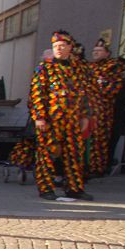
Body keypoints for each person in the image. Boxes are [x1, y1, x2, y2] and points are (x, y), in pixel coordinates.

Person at [30, 30, 93, 200]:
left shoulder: (79, 69)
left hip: (73, 120)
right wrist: (39, 117)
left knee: (74, 154)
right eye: (55, 46)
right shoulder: (45, 68)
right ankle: (46, 188)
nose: (58, 49)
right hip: (51, 120)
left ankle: (74, 188)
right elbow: (37, 94)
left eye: (62, 46)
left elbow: (86, 94)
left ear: (70, 47)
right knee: (47, 154)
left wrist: (86, 117)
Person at [87, 39, 125, 177]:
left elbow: (113, 88)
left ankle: (98, 168)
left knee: (100, 139)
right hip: (87, 109)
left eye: (99, 51)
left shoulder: (113, 67)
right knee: (87, 137)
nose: (95, 53)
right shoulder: (89, 67)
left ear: (107, 53)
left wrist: (97, 89)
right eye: (94, 51)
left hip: (103, 110)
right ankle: (85, 166)